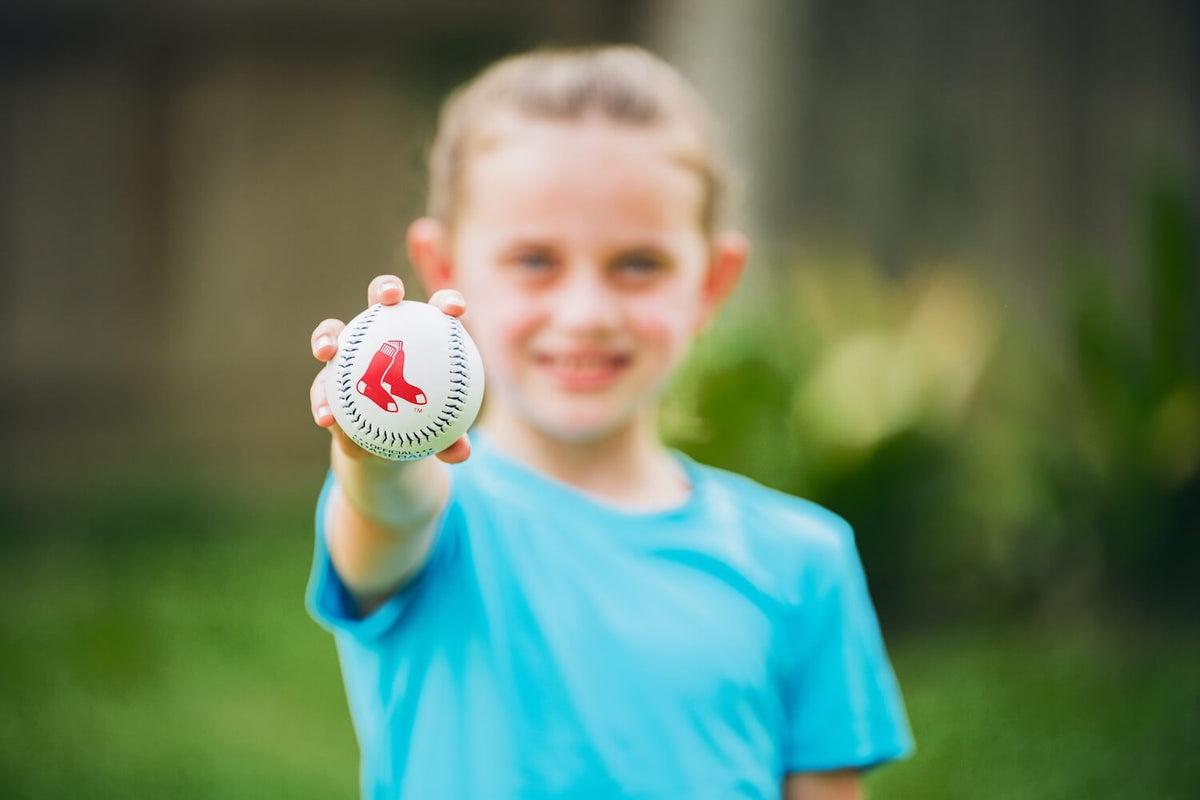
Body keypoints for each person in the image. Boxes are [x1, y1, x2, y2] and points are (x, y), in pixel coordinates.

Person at [306, 45, 912, 799]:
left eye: (637, 264)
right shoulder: (443, 524)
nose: (587, 315)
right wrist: (376, 449)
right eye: (534, 260)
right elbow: (389, 507)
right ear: (444, 267)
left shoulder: (804, 564)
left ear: (713, 281)